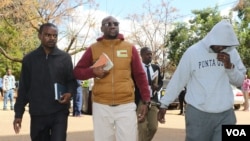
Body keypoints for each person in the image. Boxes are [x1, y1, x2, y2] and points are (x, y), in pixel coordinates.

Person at [157, 19, 246, 141]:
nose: (221, 48)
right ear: (212, 38)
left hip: (226, 115)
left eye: (224, 46)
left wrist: (230, 67)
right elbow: (178, 80)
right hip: (198, 115)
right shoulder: (193, 52)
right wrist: (164, 104)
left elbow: (240, 81)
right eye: (219, 44)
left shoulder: (232, 53)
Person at [73, 16, 151, 141]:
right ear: (102, 28)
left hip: (126, 105)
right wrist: (93, 72)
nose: (112, 25)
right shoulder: (93, 48)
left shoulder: (129, 48)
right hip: (101, 105)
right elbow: (77, 72)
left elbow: (140, 75)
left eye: (115, 23)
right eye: (108, 24)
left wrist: (146, 100)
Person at [13, 23, 77, 141]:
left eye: (55, 36)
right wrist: (18, 114)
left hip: (59, 112)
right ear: (39, 36)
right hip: (38, 113)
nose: (52, 38)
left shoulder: (65, 58)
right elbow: (23, 88)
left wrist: (69, 93)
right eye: (48, 35)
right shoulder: (29, 59)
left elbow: (71, 82)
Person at [135, 47, 163, 141]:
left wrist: (157, 86)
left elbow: (161, 82)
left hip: (153, 100)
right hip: (141, 101)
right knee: (142, 128)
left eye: (151, 54)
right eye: (147, 54)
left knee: (153, 127)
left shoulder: (156, 68)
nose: (150, 56)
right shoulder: (136, 67)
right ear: (141, 55)